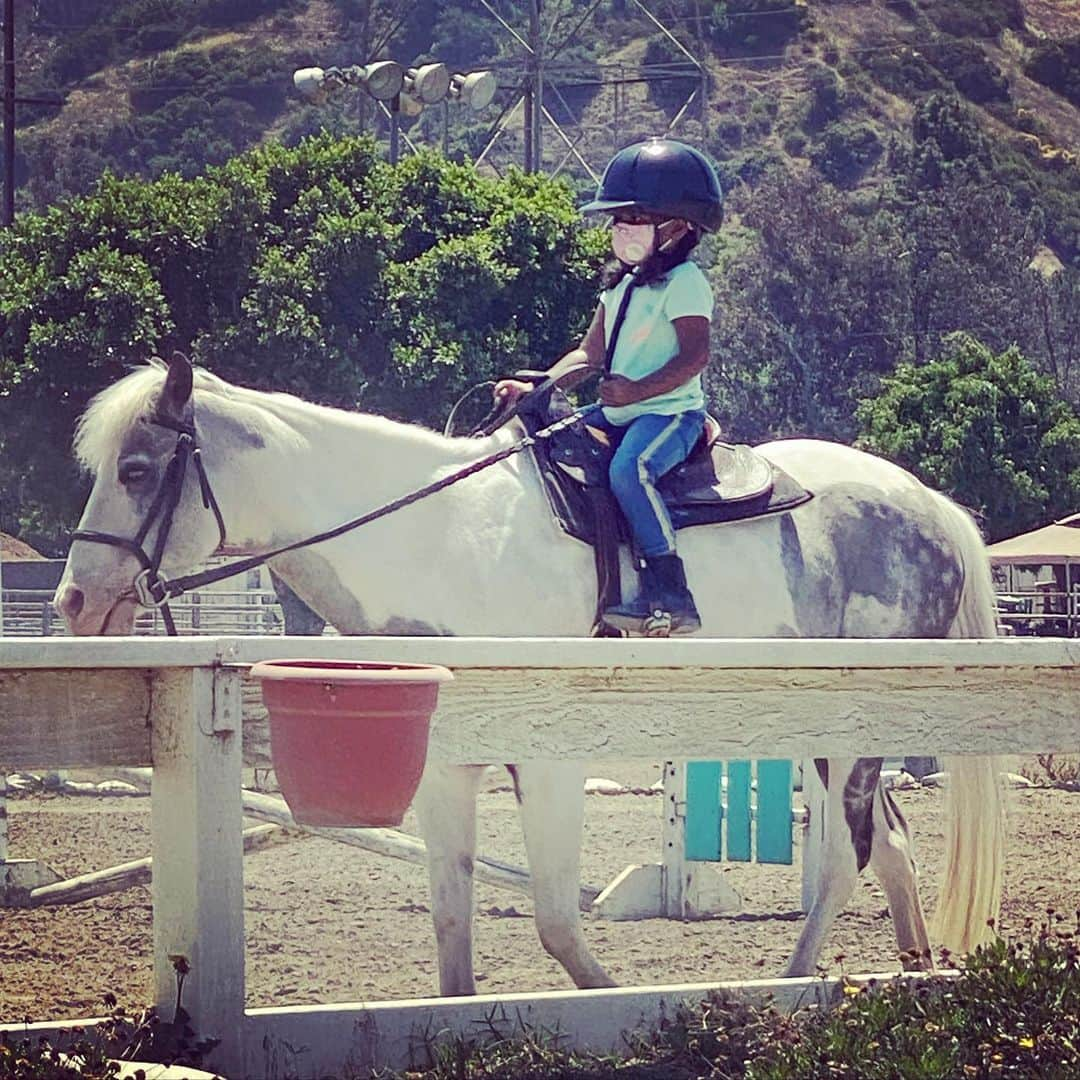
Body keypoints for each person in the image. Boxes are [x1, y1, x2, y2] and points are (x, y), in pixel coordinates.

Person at [494, 137, 723, 635]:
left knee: (629, 471)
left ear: (679, 227)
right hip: (619, 411)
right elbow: (588, 355)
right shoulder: (619, 286)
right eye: (619, 220)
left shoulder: (686, 283)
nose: (622, 230)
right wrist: (536, 388)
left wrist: (636, 392)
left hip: (668, 415)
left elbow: (695, 355)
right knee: (545, 439)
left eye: (636, 219)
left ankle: (671, 591)